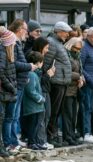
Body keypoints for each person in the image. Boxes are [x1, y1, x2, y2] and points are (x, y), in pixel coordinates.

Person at [5, 19, 37, 153]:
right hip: (15, 85)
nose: (27, 33)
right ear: (19, 29)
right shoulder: (12, 43)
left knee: (15, 116)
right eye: (26, 30)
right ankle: (10, 142)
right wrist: (30, 66)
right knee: (11, 116)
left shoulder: (18, 43)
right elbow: (14, 64)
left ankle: (13, 140)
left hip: (20, 83)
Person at [43, 21, 72, 147]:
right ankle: (50, 136)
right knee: (53, 111)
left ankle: (53, 135)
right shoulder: (52, 42)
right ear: (58, 31)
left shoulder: (58, 43)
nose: (67, 35)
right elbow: (46, 63)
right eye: (66, 32)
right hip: (56, 82)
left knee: (57, 111)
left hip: (61, 81)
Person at [31, 37, 55, 150]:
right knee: (42, 118)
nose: (47, 50)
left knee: (47, 116)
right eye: (46, 48)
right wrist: (49, 74)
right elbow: (38, 79)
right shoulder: (34, 58)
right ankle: (40, 141)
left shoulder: (43, 58)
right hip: (41, 91)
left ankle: (42, 140)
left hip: (46, 90)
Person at [79, 27, 93, 143]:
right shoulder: (84, 47)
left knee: (90, 108)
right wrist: (91, 80)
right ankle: (86, 133)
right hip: (87, 84)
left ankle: (86, 132)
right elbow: (80, 67)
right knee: (86, 108)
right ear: (88, 36)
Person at [22, 51, 47, 150]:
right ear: (38, 62)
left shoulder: (34, 74)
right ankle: (31, 142)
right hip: (32, 107)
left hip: (36, 107)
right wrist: (40, 99)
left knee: (36, 125)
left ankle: (35, 142)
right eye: (42, 62)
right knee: (32, 125)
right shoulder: (31, 75)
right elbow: (30, 91)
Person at [62, 37, 84, 146]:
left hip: (75, 89)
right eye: (76, 48)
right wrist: (79, 77)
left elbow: (80, 70)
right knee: (67, 115)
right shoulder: (66, 55)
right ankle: (67, 136)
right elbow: (66, 72)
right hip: (67, 89)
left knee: (73, 115)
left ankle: (71, 134)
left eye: (80, 49)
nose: (78, 50)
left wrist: (81, 78)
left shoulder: (77, 56)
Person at [0, 26, 17, 157]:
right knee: (3, 119)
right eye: (13, 41)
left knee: (6, 118)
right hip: (4, 92)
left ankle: (4, 146)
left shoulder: (7, 54)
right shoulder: (3, 53)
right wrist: (11, 87)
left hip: (7, 92)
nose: (15, 43)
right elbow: (1, 72)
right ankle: (3, 146)